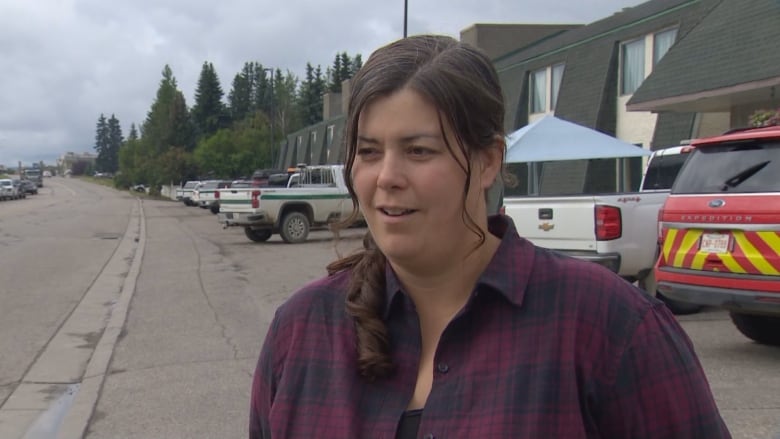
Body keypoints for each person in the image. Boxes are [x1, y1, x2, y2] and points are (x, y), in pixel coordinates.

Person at [249, 34, 731, 439]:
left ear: (488, 162)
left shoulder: (608, 326)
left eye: (419, 150)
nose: (386, 177)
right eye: (370, 152)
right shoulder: (302, 330)